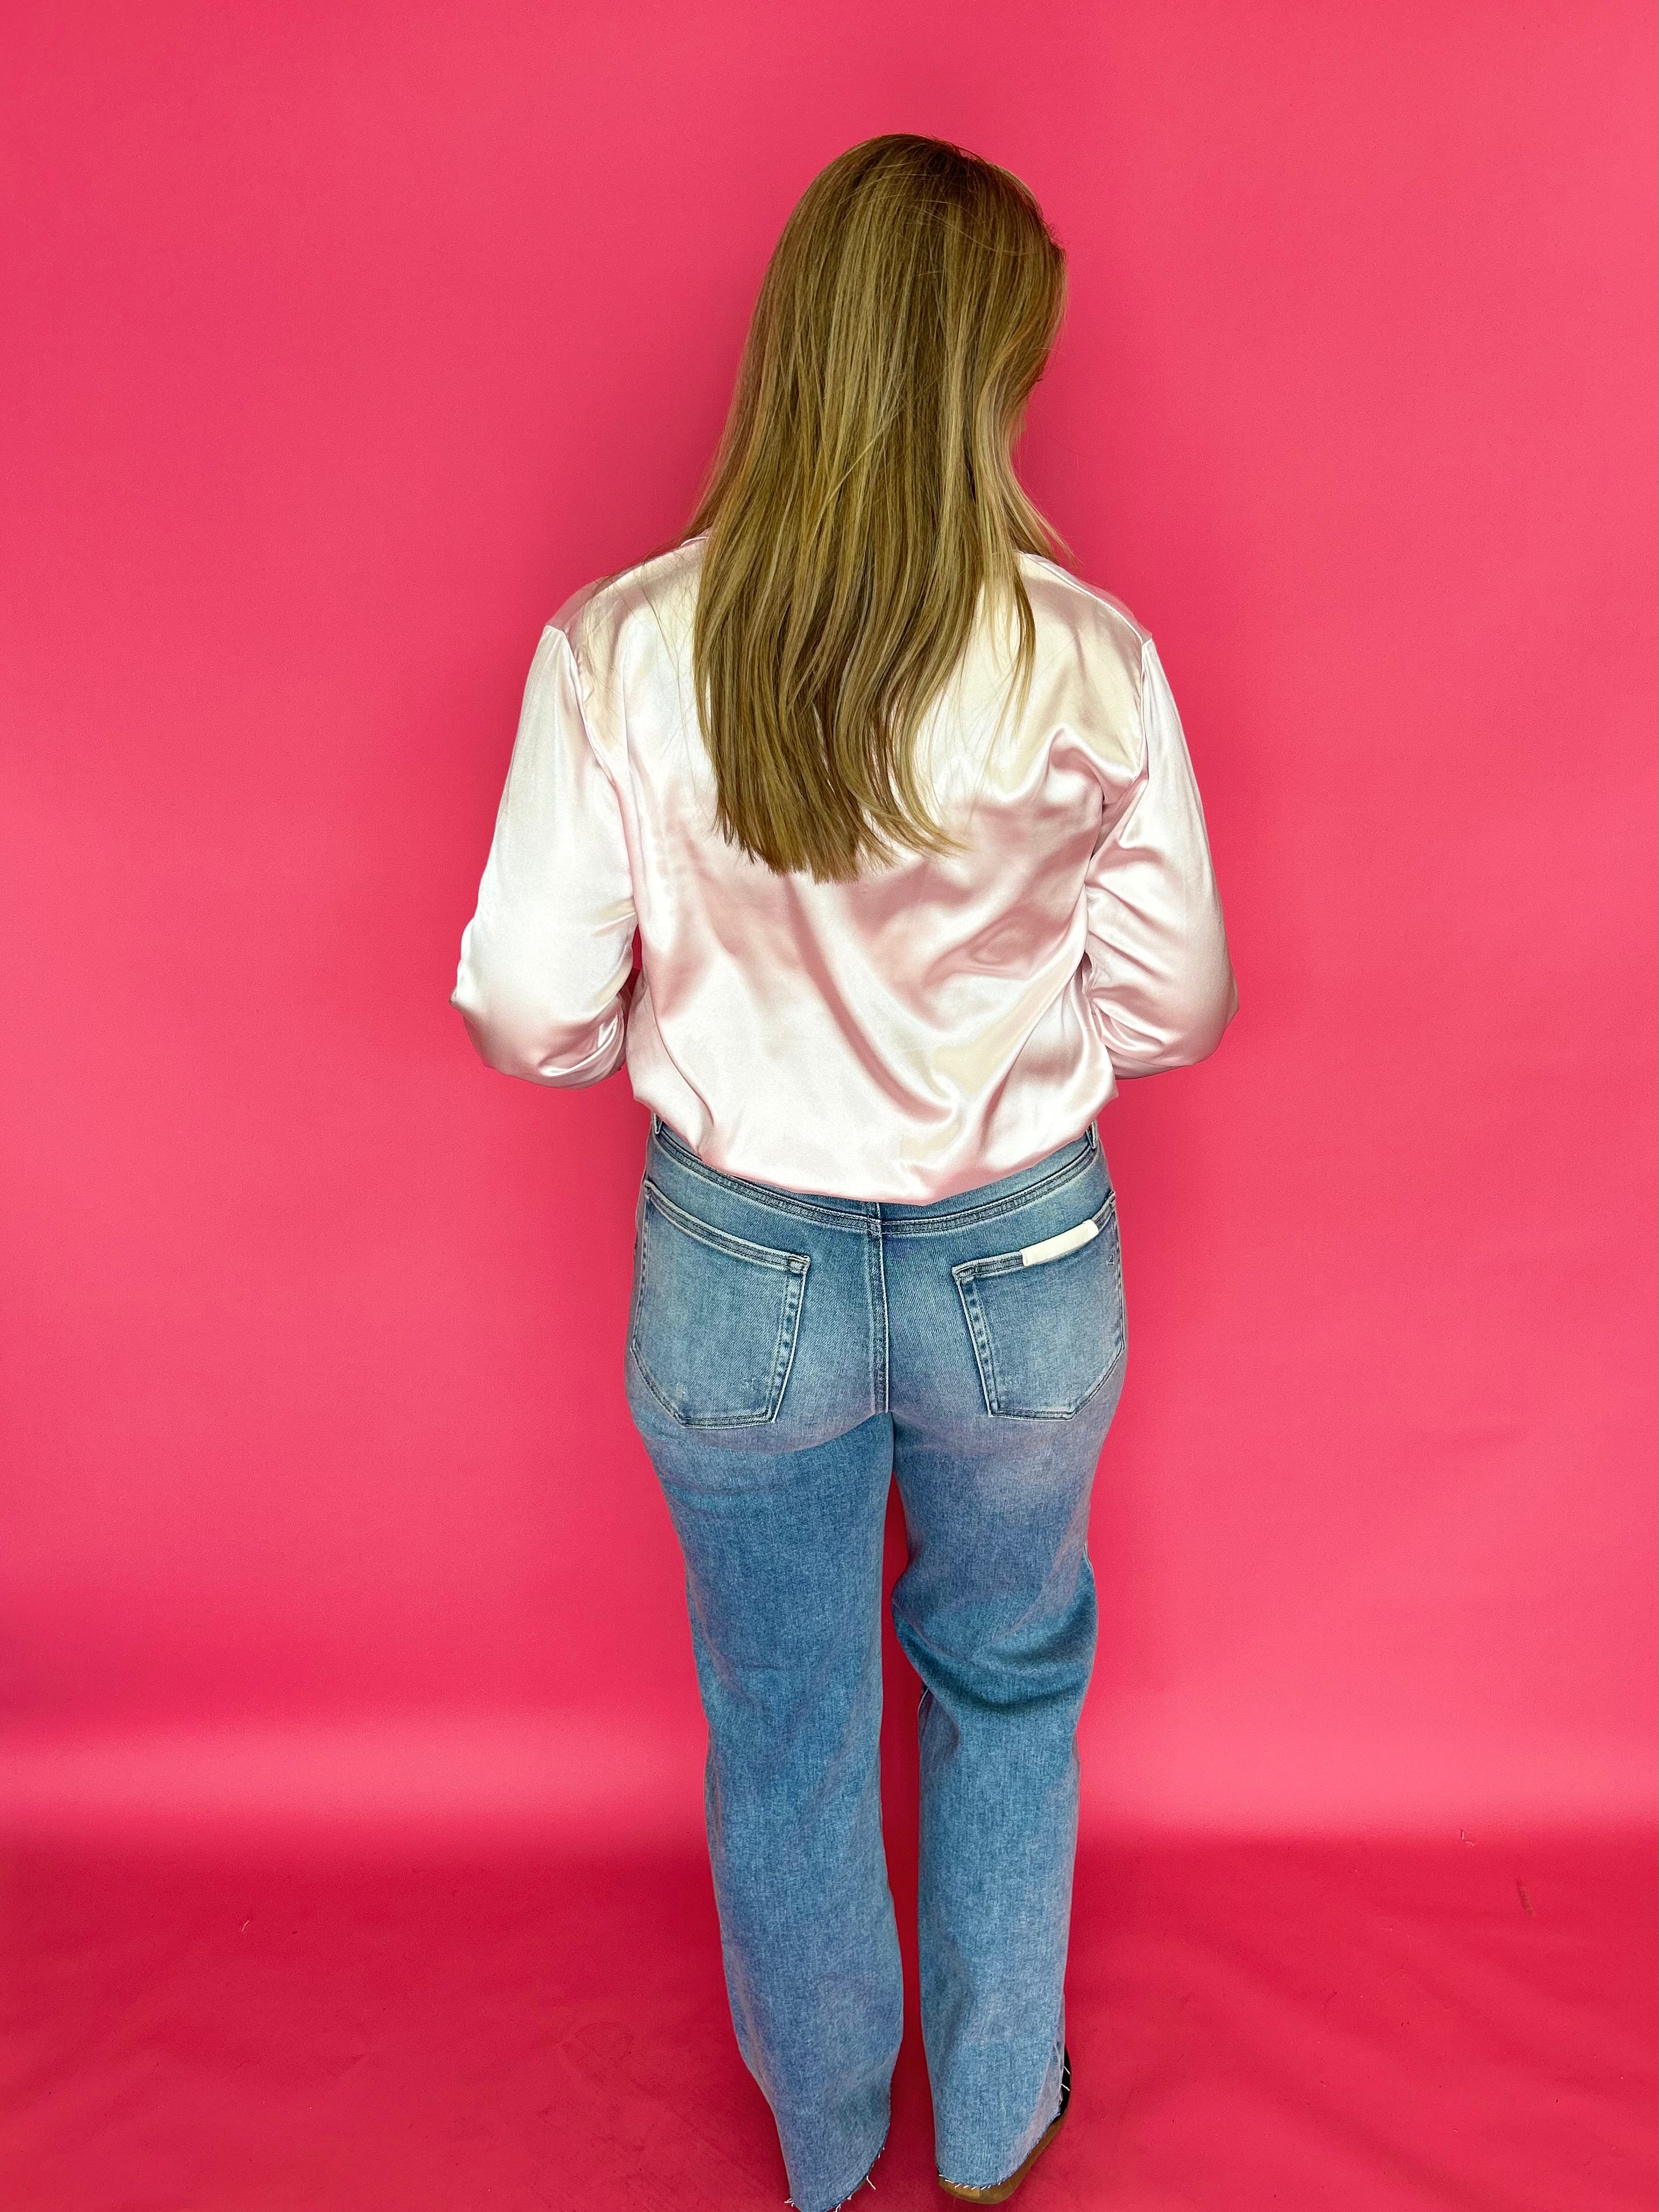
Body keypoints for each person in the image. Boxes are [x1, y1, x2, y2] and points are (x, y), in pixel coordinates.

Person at [451, 133, 1236, 2212]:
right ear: (983, 378)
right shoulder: (1087, 659)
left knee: (779, 1709)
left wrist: (691, 1054)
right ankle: (992, 2126)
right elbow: (1176, 1004)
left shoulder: (622, 647)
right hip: (1023, 1254)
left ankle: (820, 2145)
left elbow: (527, 1005)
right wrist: (1014, 1042)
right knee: (1008, 1664)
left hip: (739, 1262)